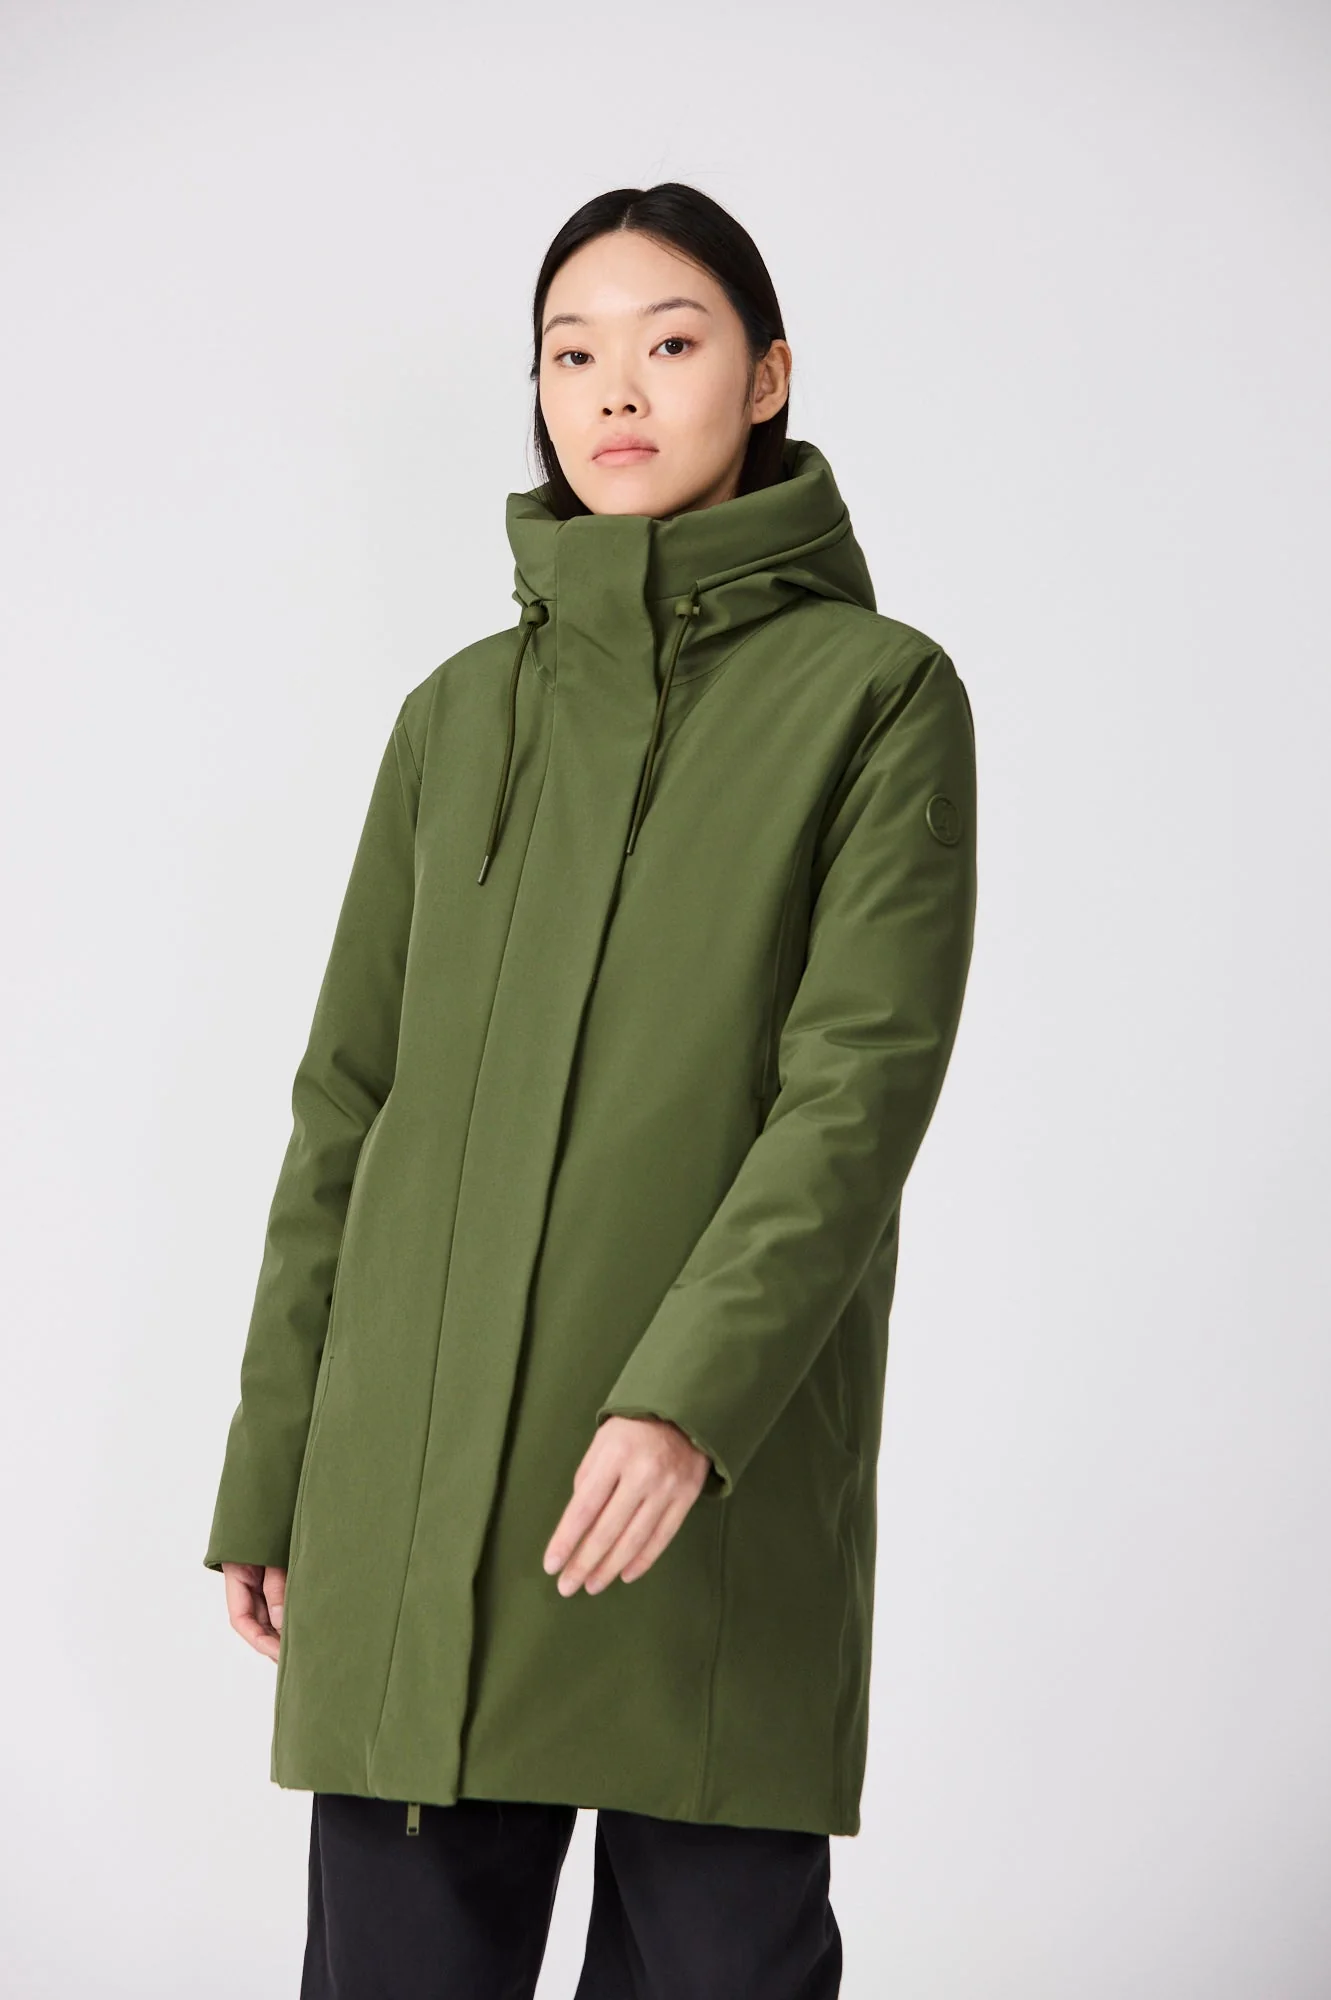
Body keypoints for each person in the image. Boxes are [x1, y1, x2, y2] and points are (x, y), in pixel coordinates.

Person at [203, 181, 978, 1998]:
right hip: (408, 1505)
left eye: (670, 341)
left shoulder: (877, 701)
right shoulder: (454, 716)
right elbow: (347, 1103)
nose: (614, 389)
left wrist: (686, 1400)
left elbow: (853, 1095)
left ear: (765, 376)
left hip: (692, 1500)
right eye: (571, 353)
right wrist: (275, 1467)